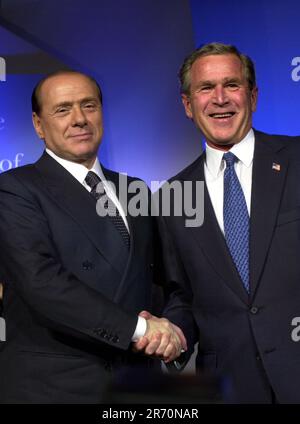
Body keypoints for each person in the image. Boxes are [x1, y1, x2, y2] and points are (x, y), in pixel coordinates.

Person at [0, 70, 185, 403]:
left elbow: (161, 281)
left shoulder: (135, 190)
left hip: (138, 382)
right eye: (62, 109)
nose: (79, 119)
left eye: (89, 105)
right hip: (57, 387)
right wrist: (140, 330)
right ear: (38, 124)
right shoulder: (15, 189)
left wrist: (172, 330)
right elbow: (42, 283)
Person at [140, 43, 300, 403]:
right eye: (206, 88)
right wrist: (173, 334)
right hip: (232, 386)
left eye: (232, 84)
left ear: (253, 96)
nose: (220, 98)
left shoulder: (296, 160)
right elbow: (181, 294)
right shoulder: (170, 197)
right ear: (187, 105)